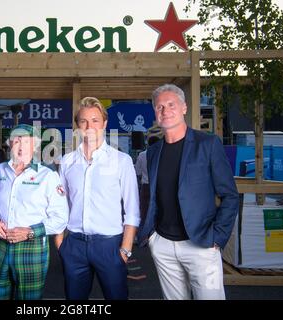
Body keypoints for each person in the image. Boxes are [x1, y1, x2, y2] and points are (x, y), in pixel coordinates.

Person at [138, 84, 239, 300]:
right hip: (163, 245)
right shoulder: (153, 152)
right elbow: (153, 195)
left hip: (201, 244)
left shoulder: (208, 144)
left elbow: (229, 195)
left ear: (184, 107)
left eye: (171, 104)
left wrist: (218, 237)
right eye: (159, 107)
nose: (165, 111)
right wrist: (152, 236)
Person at [56, 97, 140, 300]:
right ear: (77, 126)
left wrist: (125, 250)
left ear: (104, 123)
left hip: (110, 247)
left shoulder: (121, 161)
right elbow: (59, 205)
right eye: (83, 121)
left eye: (95, 120)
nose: (89, 126)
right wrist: (61, 244)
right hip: (74, 245)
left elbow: (132, 211)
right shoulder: (67, 162)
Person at [0, 124, 69, 300]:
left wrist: (30, 232)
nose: (21, 146)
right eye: (16, 141)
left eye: (27, 142)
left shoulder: (48, 176)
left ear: (35, 145)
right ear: (9, 144)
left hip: (33, 249)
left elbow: (61, 218)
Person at [134, 135, 160, 231]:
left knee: (144, 211)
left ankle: (143, 235)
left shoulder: (142, 155)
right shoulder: (161, 154)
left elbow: (138, 172)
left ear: (148, 144)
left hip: (145, 186)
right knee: (158, 210)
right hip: (158, 187)